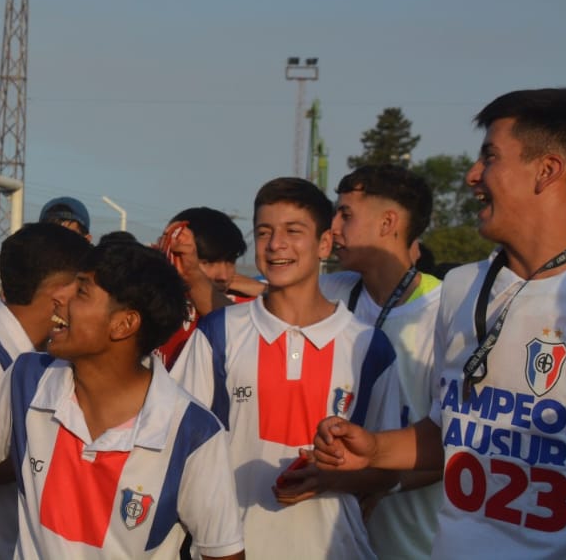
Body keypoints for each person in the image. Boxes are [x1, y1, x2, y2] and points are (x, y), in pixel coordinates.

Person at [314, 88, 566, 554]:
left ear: (547, 171)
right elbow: (452, 432)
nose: (472, 175)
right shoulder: (462, 287)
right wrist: (374, 449)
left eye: (490, 157)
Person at [0, 240, 244, 559]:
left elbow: (223, 551)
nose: (59, 297)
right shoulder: (27, 378)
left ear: (124, 324)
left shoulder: (195, 434)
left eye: (81, 291)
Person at [171, 177, 402, 560]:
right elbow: (176, 444)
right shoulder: (219, 333)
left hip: (338, 550)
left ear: (324, 243)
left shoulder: (369, 347)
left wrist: (332, 477)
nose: (276, 244)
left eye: (293, 231)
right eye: (265, 232)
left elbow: (389, 470)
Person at [0, 221, 91, 559]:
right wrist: (58, 454)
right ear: (60, 295)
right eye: (82, 288)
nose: (87, 300)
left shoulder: (40, 356)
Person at [322, 164, 442, 559]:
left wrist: (379, 481)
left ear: (389, 222)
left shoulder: (447, 311)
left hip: (415, 544)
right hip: (337, 540)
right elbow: (247, 321)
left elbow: (456, 444)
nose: (333, 227)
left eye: (346, 214)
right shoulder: (331, 292)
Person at [154, 207, 255, 369]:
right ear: (173, 255)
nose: (223, 275)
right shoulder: (145, 301)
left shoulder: (250, 306)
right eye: (208, 262)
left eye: (230, 261)